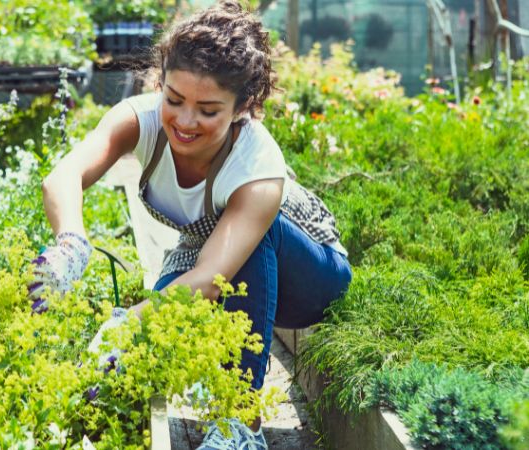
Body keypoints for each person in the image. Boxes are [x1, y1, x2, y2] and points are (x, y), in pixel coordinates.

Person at [30, 1, 353, 448]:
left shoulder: (257, 165)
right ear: (161, 84)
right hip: (211, 253)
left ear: (244, 107)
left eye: (208, 110)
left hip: (312, 277)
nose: (184, 121)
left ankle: (242, 425)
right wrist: (71, 243)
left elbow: (210, 278)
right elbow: (62, 176)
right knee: (159, 321)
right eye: (174, 100)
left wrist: (127, 323)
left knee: (234, 262)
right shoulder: (138, 120)